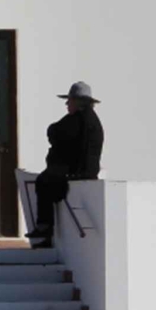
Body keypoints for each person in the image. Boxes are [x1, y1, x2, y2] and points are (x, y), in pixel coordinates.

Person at [27, 81, 104, 248]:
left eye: (70, 100)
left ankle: (44, 227)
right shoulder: (88, 119)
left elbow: (55, 131)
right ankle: (46, 233)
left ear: (78, 101)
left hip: (76, 172)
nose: (67, 104)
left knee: (43, 182)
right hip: (84, 171)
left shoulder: (78, 119)